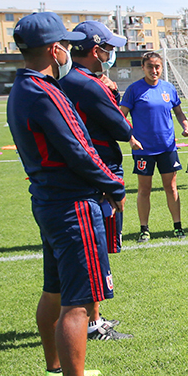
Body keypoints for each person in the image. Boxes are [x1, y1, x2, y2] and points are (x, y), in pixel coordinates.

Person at [6, 12, 129, 376]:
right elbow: (78, 149)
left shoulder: (24, 88)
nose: (68, 51)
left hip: (48, 199)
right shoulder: (45, 92)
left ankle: (55, 372)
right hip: (72, 204)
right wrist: (112, 186)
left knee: (55, 290)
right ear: (53, 49)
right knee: (79, 301)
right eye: (64, 45)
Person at [59, 20, 135, 341]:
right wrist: (113, 95)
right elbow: (121, 128)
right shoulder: (88, 85)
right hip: (98, 172)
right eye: (109, 48)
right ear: (95, 49)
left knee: (94, 248)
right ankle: (91, 323)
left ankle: (93, 317)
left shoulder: (71, 80)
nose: (112, 53)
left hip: (86, 172)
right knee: (94, 249)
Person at [119, 52, 188, 241]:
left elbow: (179, 112)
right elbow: (120, 117)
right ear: (143, 67)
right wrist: (130, 138)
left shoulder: (168, 88)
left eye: (157, 66)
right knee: (144, 189)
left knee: (171, 187)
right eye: (150, 66)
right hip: (144, 150)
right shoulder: (134, 90)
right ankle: (144, 228)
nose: (154, 70)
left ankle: (178, 226)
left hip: (167, 147)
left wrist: (185, 126)